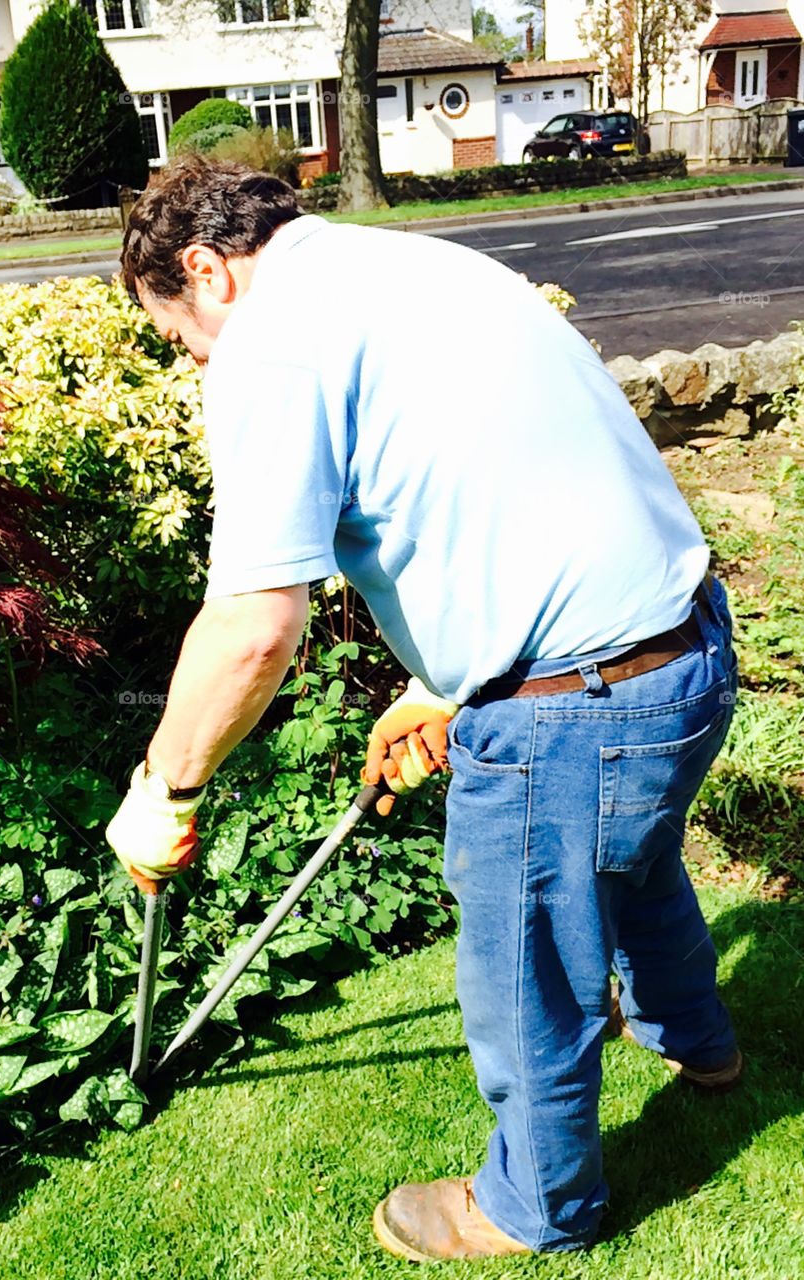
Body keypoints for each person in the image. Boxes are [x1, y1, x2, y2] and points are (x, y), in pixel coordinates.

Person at [105, 156, 741, 1260]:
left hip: (577, 698)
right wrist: (441, 677)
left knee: (522, 958)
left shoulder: (268, 340)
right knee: (629, 864)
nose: (189, 355)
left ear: (203, 271)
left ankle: (530, 1206)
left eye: (175, 331)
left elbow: (255, 624)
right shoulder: (408, 264)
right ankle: (704, 1046)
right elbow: (492, 470)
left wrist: (164, 785)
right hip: (682, 650)